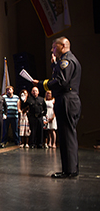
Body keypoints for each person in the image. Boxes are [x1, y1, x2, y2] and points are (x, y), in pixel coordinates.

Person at [34, 36, 81, 178]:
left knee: (67, 136)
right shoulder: (67, 61)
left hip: (66, 99)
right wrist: (54, 65)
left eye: (54, 47)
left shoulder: (66, 61)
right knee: (67, 135)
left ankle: (70, 171)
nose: (52, 50)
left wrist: (42, 84)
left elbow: (61, 82)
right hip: (70, 99)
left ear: (62, 46)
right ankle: (70, 168)